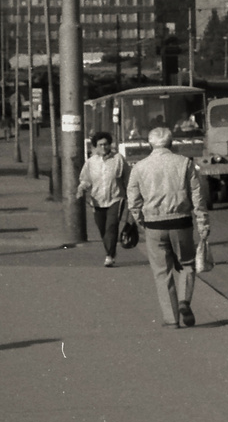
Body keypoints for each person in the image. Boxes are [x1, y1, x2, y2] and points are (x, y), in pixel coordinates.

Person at [125, 126, 210, 328]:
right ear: (171, 143)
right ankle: (184, 301)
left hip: (154, 224)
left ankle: (171, 319)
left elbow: (133, 199)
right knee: (187, 264)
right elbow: (197, 197)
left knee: (162, 272)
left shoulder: (140, 167)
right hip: (181, 222)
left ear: (150, 144)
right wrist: (203, 224)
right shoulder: (184, 163)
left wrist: (140, 221)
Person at [78, 132, 130, 267]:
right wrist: (81, 188)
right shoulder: (91, 162)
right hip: (97, 200)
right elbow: (85, 180)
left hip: (116, 198)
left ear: (110, 145)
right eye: (100, 145)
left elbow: (128, 178)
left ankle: (109, 256)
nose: (104, 147)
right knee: (103, 230)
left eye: (106, 144)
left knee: (112, 226)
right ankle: (110, 251)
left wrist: (132, 194)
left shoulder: (118, 159)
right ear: (95, 146)